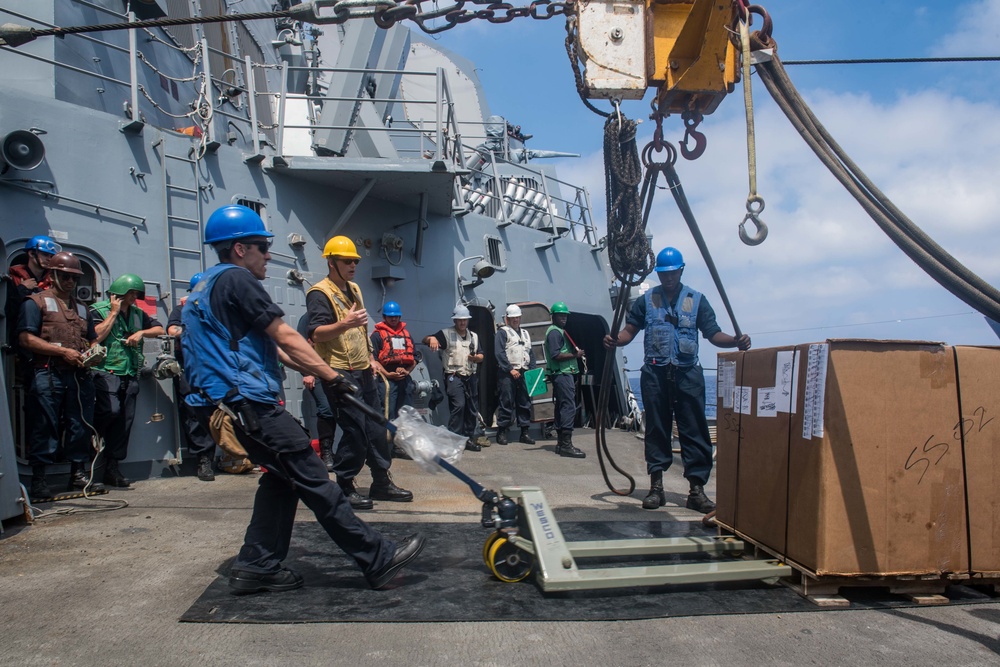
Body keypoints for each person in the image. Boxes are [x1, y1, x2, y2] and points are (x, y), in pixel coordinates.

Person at [182, 204, 424, 593]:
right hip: (247, 403)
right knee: (314, 477)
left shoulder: (207, 285)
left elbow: (273, 351)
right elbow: (287, 336)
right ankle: (376, 558)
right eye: (262, 246)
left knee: (282, 479)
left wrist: (310, 370)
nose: (268, 254)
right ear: (240, 249)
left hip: (226, 405)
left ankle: (257, 564)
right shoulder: (237, 280)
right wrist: (332, 376)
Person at [603, 247, 751, 513]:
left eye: (672, 273)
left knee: (694, 431)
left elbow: (713, 333)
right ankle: (656, 488)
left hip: (687, 374)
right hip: (655, 373)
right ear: (658, 274)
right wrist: (615, 340)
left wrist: (735, 342)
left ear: (680, 271)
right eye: (663, 273)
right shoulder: (647, 301)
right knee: (656, 429)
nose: (668, 278)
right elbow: (629, 331)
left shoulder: (697, 300)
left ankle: (696, 491)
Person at [306, 236, 412, 510]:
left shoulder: (354, 289)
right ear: (332, 263)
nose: (353, 265)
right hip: (339, 371)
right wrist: (344, 323)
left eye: (355, 261)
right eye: (347, 261)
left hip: (364, 370)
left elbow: (361, 331)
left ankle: (380, 482)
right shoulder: (320, 293)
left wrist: (371, 357)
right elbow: (316, 333)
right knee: (354, 431)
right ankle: (344, 485)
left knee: (376, 427)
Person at [17, 252, 103, 499]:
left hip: (78, 376)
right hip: (48, 373)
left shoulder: (83, 309)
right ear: (52, 275)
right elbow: (25, 338)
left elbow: (92, 338)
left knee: (80, 425)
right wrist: (63, 351)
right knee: (45, 424)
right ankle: (39, 479)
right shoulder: (36, 303)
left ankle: (78, 474)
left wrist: (94, 352)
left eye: (74, 278)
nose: (70, 282)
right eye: (65, 276)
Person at [91, 273, 165, 488]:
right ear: (118, 294)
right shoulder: (97, 311)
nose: (134, 298)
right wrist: (113, 313)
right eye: (131, 293)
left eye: (135, 294)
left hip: (129, 372)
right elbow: (94, 337)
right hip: (105, 371)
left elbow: (159, 329)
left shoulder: (137, 314)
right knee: (110, 411)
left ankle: (112, 468)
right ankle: (93, 443)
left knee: (125, 421)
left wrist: (141, 332)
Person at [167, 272, 218, 482]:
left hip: (212, 367)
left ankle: (219, 456)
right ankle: (203, 459)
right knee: (193, 412)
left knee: (216, 411)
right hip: (189, 366)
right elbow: (172, 330)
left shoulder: (214, 311)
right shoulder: (181, 310)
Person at [423, 304, 488, 452]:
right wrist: (432, 339)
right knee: (459, 406)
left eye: (464, 320)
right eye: (459, 320)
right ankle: (453, 439)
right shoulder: (446, 334)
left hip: (470, 376)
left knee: (471, 408)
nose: (462, 323)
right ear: (454, 321)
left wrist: (477, 357)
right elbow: (425, 339)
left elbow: (481, 355)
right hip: (454, 376)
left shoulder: (474, 336)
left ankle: (468, 438)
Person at [543, 302, 586, 459]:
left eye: (565, 316)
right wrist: (576, 355)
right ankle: (566, 445)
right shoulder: (555, 333)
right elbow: (556, 355)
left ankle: (561, 443)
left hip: (562, 374)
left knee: (562, 406)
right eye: (560, 316)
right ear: (553, 317)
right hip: (562, 373)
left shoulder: (557, 331)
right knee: (568, 406)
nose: (563, 318)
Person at [296, 312, 337, 472]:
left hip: (336, 370)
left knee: (340, 411)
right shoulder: (308, 318)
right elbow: (299, 346)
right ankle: (326, 452)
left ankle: (337, 451)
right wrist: (307, 372)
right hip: (316, 370)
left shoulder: (338, 316)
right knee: (326, 409)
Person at [494, 304, 536, 446]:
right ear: (507, 318)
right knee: (506, 401)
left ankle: (524, 432)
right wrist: (510, 369)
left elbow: (530, 353)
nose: (515, 320)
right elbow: (499, 352)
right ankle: (502, 432)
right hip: (508, 373)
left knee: (524, 402)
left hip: (524, 372)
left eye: (517, 317)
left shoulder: (525, 333)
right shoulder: (502, 332)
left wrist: (533, 370)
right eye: (513, 318)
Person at [370, 301, 416, 420]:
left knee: (406, 413)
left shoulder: (406, 334)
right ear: (384, 317)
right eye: (390, 316)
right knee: (387, 412)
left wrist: (407, 371)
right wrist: (388, 374)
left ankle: (404, 438)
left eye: (396, 316)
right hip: (386, 380)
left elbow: (414, 357)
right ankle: (387, 437)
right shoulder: (377, 336)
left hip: (405, 379)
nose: (394, 319)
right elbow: (373, 360)